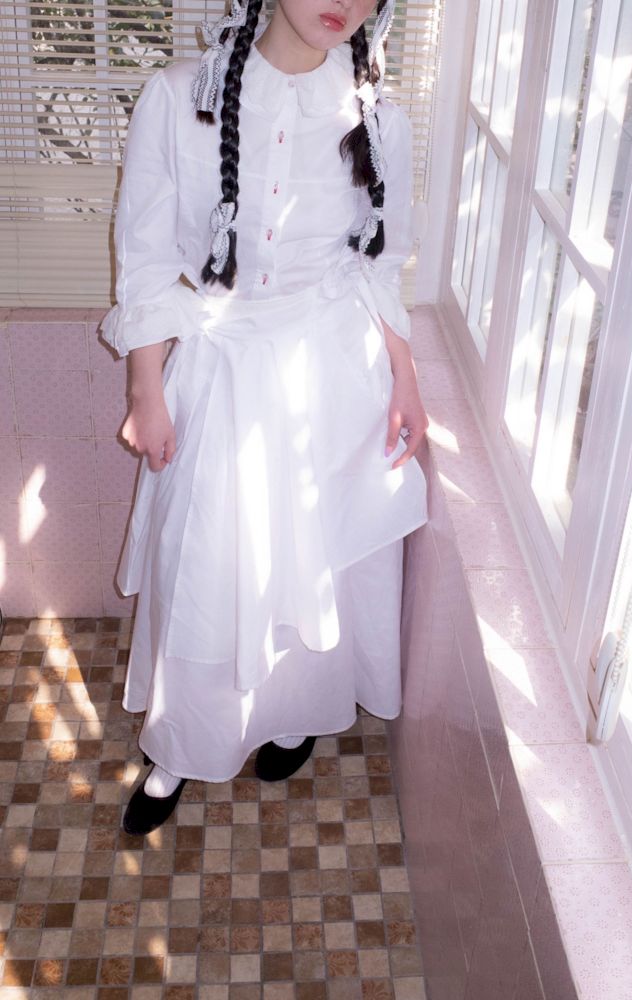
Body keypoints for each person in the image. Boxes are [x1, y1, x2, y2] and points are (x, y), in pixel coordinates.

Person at [100, 0, 429, 836]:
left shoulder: (381, 119)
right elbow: (146, 258)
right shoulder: (180, 97)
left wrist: (406, 377)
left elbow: (380, 264)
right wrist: (145, 390)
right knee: (208, 559)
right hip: (222, 364)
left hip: (334, 368)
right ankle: (183, 743)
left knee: (314, 553)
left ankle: (295, 711)